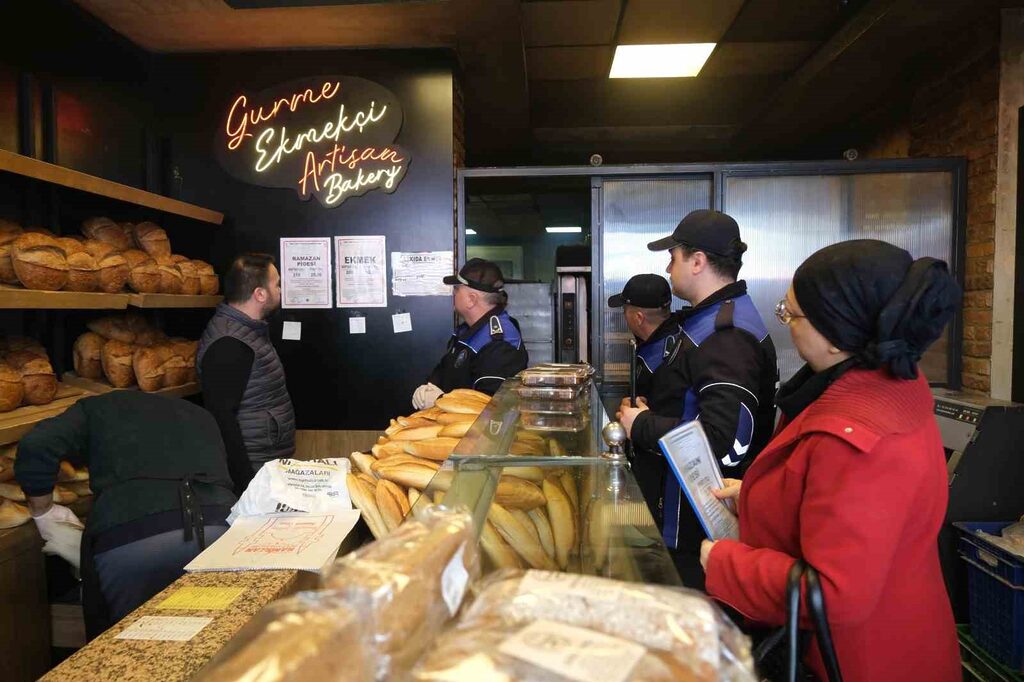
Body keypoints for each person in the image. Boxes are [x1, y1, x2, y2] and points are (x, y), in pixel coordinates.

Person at [701, 240, 961, 682]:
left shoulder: (857, 436)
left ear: (837, 335)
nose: (785, 324)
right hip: (900, 629)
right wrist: (763, 498)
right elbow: (851, 515)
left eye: (790, 314)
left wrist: (724, 563)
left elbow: (836, 592)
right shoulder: (889, 380)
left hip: (862, 659)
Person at [617, 209, 778, 589]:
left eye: (673, 258)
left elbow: (725, 442)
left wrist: (643, 426)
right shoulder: (706, 321)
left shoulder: (728, 334)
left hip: (698, 528)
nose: (668, 268)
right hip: (678, 514)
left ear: (698, 261)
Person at [14, 391, 237, 639]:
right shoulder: (200, 414)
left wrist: (43, 511)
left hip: (133, 543)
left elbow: (36, 444)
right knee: (214, 638)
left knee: (129, 644)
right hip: (219, 531)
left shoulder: (94, 408)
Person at [198, 253, 295, 493]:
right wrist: (246, 485)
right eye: (277, 284)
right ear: (260, 294)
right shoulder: (229, 343)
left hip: (267, 464)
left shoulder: (249, 332)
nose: (281, 290)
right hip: (254, 473)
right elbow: (222, 419)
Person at [607, 273, 680, 518]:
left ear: (638, 317)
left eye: (625, 310)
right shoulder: (667, 341)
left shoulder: (665, 358)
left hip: (663, 477)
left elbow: (669, 419)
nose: (623, 316)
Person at [412, 258, 529, 407]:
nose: (453, 294)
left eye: (456, 289)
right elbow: (447, 369)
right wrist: (429, 387)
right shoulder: (467, 330)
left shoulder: (499, 343)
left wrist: (440, 400)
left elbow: (492, 406)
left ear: (471, 300)